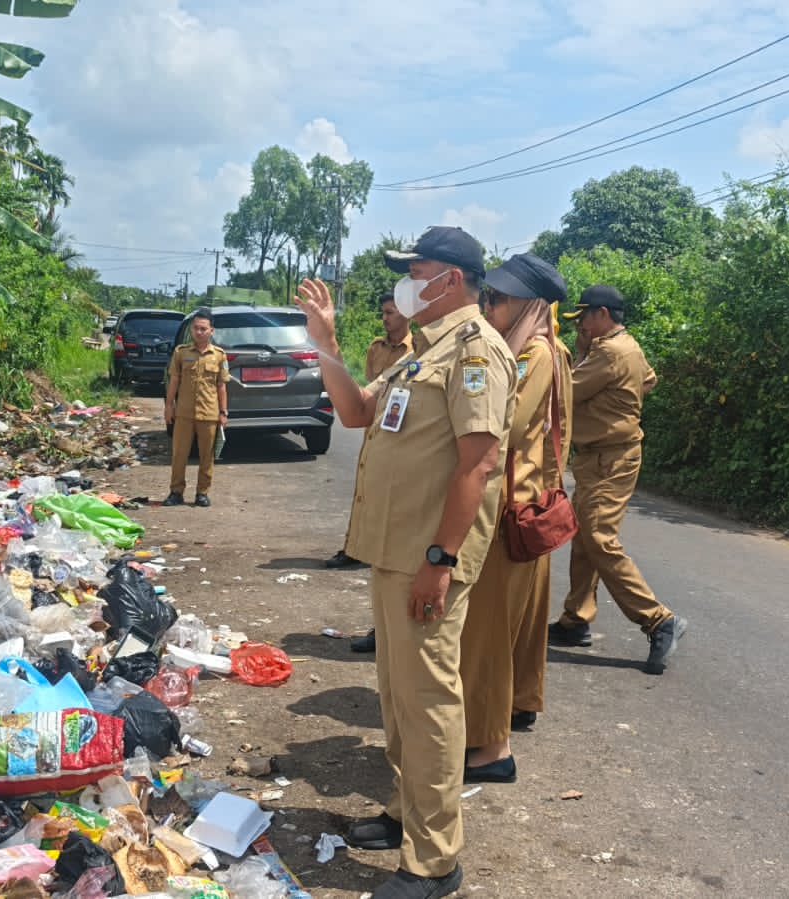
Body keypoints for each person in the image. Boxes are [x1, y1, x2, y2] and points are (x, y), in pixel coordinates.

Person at [295, 225, 514, 899]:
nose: (403, 283)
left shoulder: (476, 351)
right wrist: (325, 345)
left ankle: (435, 859)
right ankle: (406, 815)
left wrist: (440, 559)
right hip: (395, 552)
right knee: (398, 695)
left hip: (427, 555)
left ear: (448, 278)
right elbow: (358, 412)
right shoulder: (423, 349)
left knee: (428, 702)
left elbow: (479, 462)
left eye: (412, 270)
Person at [459, 253, 573, 783]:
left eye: (499, 300)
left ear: (528, 305)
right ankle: (517, 705)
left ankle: (488, 749)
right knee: (517, 626)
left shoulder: (532, 356)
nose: (490, 307)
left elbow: (505, 421)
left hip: (511, 509)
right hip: (528, 502)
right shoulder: (539, 350)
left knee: (487, 634)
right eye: (489, 297)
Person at [548, 285, 688, 674]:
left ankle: (659, 620)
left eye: (585, 319)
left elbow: (564, 392)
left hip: (611, 458)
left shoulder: (609, 352)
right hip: (602, 456)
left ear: (603, 314)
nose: (583, 327)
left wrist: (584, 371)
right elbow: (649, 379)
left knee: (598, 539)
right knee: (585, 535)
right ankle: (576, 618)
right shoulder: (626, 347)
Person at [329, 294, 414, 654]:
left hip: (408, 458)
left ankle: (390, 633)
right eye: (382, 312)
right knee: (367, 498)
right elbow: (362, 402)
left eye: (390, 312)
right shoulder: (379, 349)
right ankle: (355, 547)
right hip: (378, 431)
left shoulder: (423, 354)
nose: (384, 319)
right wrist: (326, 343)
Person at [163, 310, 229, 508]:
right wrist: (168, 406)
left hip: (209, 413)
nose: (198, 332)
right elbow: (174, 380)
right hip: (184, 413)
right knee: (179, 454)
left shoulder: (219, 356)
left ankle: (202, 492)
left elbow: (221, 386)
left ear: (211, 331)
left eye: (203, 329)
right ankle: (176, 492)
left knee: (206, 456)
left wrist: (223, 412)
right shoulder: (181, 353)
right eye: (195, 328)